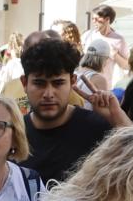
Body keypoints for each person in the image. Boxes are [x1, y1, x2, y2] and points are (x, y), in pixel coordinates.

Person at [22, 34, 122, 186]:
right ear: (24, 83)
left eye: (58, 83)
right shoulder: (13, 133)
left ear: (72, 82)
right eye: (39, 83)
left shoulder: (96, 129)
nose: (48, 94)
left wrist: (117, 116)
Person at [88, 5, 131, 83]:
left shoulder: (118, 39)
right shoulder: (90, 35)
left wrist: (115, 55)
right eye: (93, 19)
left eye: (97, 19)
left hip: (106, 85)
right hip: (89, 82)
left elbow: (127, 66)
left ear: (107, 19)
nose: (94, 22)